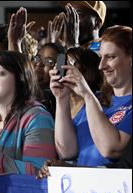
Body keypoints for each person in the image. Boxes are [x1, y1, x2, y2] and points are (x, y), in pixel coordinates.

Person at [47, 25, 132, 167]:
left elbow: (110, 149)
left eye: (110, 57)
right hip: (84, 187)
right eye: (101, 57)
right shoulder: (97, 99)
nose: (101, 66)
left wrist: (87, 95)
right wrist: (62, 99)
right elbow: (67, 151)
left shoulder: (92, 100)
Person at [32, 42, 66, 118]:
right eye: (37, 58)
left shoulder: (50, 102)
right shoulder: (25, 90)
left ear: (59, 70)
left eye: (49, 61)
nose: (39, 63)